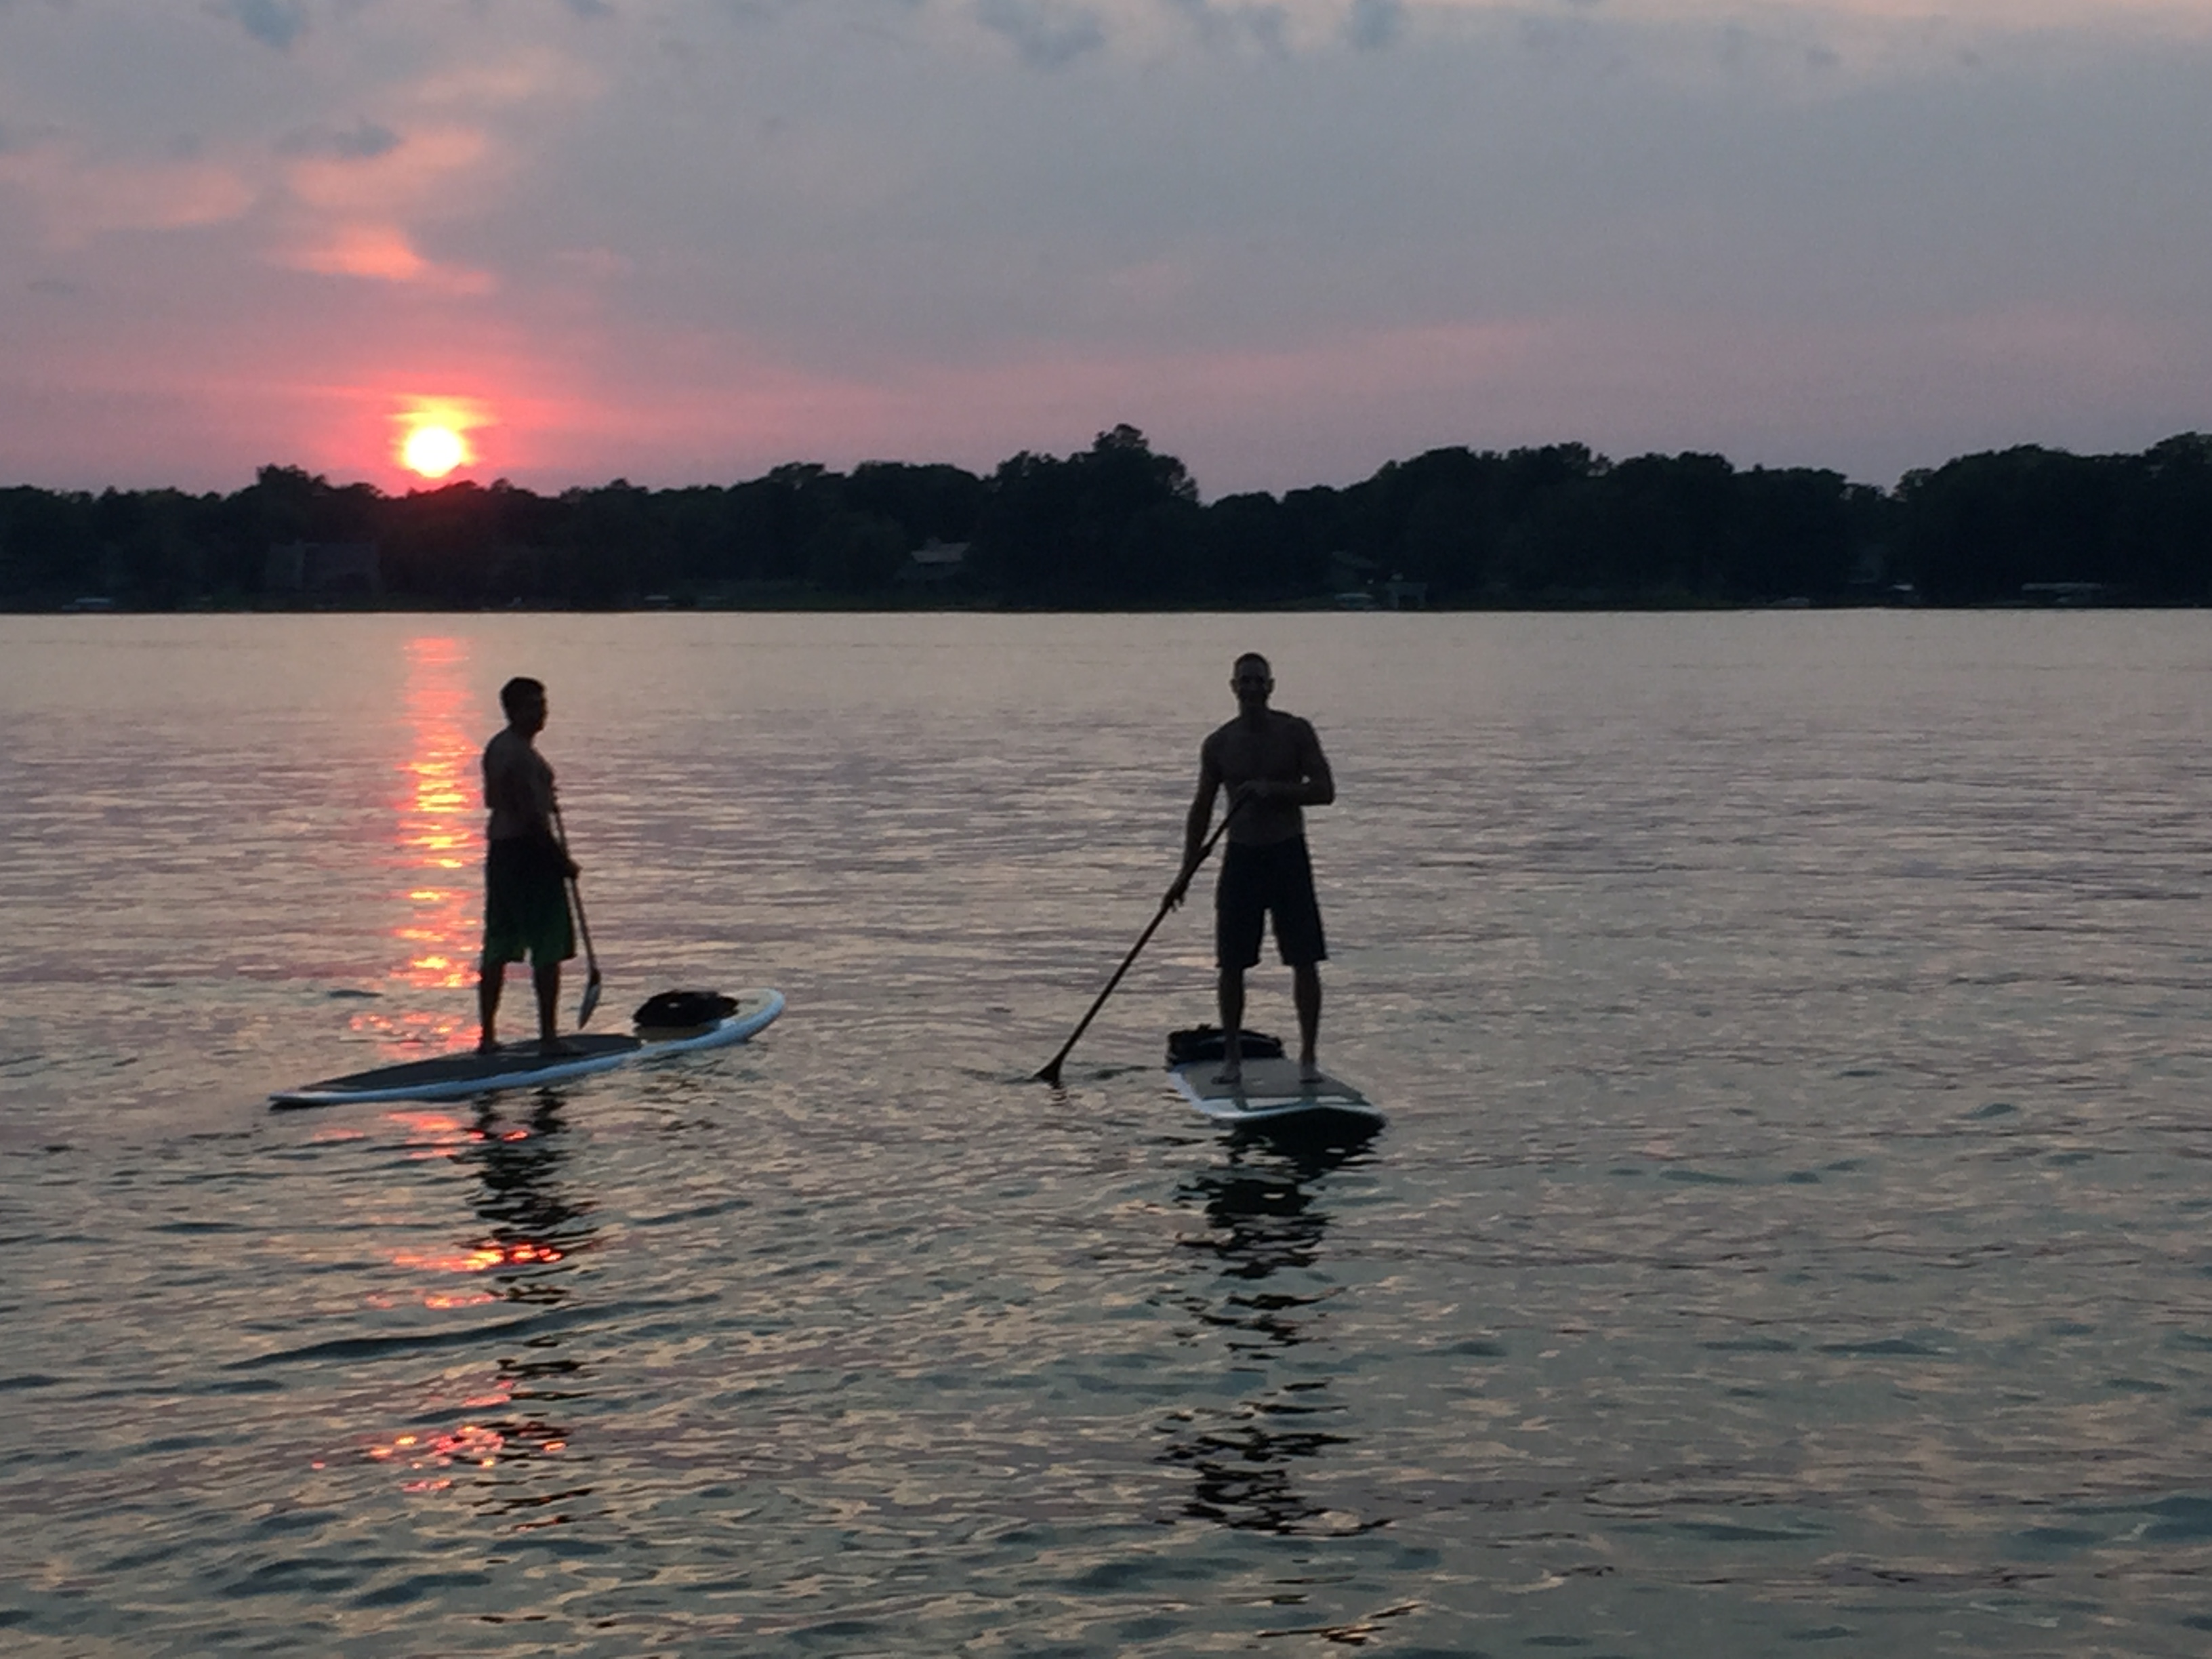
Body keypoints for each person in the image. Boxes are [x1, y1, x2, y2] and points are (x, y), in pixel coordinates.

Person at [1166, 651, 1336, 1086]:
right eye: (1246, 681)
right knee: (1231, 963)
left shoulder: (1295, 732)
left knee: (1304, 959)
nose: (1253, 688)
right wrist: (1185, 871)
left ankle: (1309, 1059)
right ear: (1234, 687)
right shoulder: (1219, 744)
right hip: (1241, 857)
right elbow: (1202, 809)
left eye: (1260, 681)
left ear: (1271, 686)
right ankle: (1232, 1062)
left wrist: (1273, 790)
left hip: (1287, 854)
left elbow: (1324, 791)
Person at [478, 676, 577, 1054]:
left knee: (499, 942)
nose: (542, 713)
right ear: (514, 710)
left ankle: (488, 1037)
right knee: (546, 944)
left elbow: (512, 800)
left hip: (502, 852)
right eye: (534, 706)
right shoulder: (516, 754)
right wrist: (561, 861)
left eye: (543, 705)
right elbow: (528, 817)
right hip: (526, 854)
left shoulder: (501, 747)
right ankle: (548, 1038)